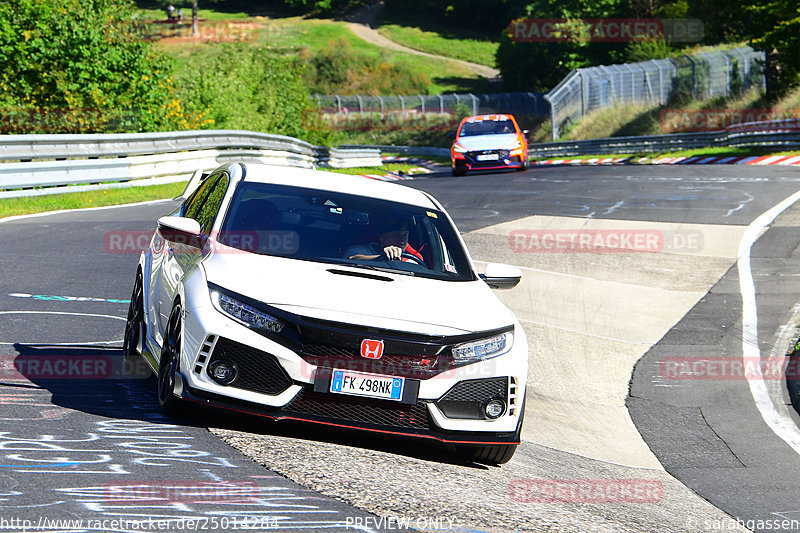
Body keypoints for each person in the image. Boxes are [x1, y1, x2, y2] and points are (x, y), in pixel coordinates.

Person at [344, 215, 424, 264]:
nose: (402, 239)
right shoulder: (359, 250)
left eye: (405, 235)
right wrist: (381, 257)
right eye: (396, 235)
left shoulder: (411, 261)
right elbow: (352, 260)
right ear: (381, 237)